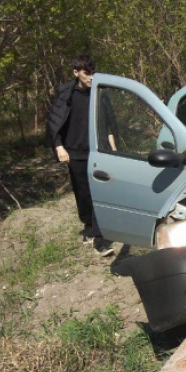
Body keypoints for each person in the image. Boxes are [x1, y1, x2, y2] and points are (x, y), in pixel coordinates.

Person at [47, 55, 115, 256]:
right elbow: (54, 122)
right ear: (76, 72)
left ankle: (100, 240)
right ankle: (88, 227)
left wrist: (113, 149)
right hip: (74, 152)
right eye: (87, 73)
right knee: (82, 194)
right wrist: (59, 146)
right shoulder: (65, 94)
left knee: (98, 194)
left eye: (93, 72)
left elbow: (110, 123)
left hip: (97, 152)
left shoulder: (100, 93)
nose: (91, 77)